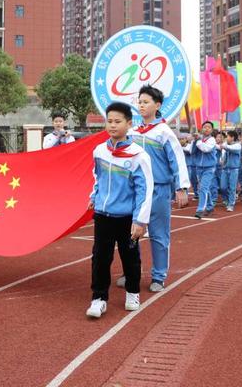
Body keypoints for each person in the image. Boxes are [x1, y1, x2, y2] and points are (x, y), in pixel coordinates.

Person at [86, 102, 153, 318]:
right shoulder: (99, 151)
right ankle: (98, 297)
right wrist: (94, 197)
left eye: (118, 121)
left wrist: (140, 221)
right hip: (103, 215)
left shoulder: (138, 155)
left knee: (130, 257)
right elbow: (97, 178)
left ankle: (132, 292)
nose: (112, 126)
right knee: (100, 258)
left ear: (129, 123)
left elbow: (145, 190)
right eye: (109, 121)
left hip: (126, 218)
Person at [127, 85, 189, 292]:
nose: (141, 105)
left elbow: (177, 160)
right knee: (131, 232)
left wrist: (181, 188)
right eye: (140, 102)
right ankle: (130, 272)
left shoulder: (163, 132)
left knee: (159, 234)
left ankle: (158, 276)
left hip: (159, 190)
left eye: (146, 102)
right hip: (136, 191)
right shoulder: (132, 132)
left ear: (157, 105)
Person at [193, 122, 217, 219]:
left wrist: (198, 141)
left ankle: (200, 210)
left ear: (212, 130)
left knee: (203, 188)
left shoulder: (212, 140)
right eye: (204, 127)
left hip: (209, 168)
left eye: (209, 127)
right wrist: (194, 141)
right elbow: (192, 151)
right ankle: (210, 206)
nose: (206, 129)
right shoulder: (199, 139)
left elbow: (205, 149)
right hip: (199, 167)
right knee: (204, 188)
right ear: (201, 129)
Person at [220, 130, 242, 212]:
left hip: (234, 170)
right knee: (223, 187)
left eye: (228, 136)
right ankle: (226, 199)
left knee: (232, 187)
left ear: (232, 138)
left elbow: (230, 149)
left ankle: (231, 204)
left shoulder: (237, 146)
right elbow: (222, 153)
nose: (226, 138)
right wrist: (221, 159)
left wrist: (224, 146)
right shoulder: (226, 145)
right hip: (225, 169)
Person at [180, 135, 198, 199]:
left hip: (191, 165)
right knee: (185, 180)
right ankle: (185, 195)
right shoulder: (179, 147)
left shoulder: (189, 146)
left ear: (186, 139)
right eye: (180, 139)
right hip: (183, 166)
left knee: (193, 181)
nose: (181, 140)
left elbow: (188, 151)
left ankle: (196, 193)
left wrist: (180, 148)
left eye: (182, 139)